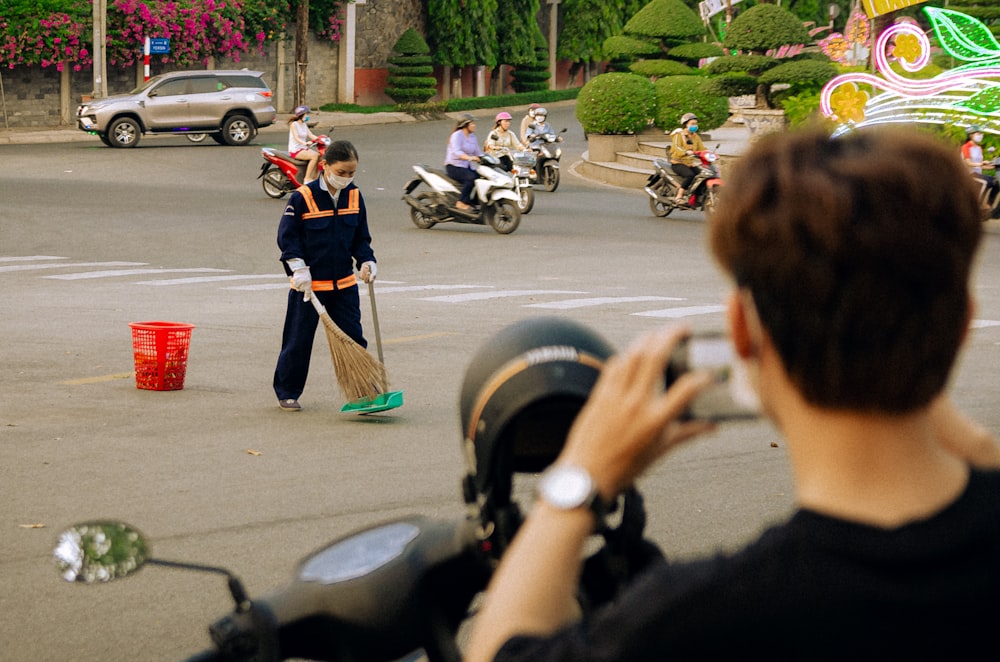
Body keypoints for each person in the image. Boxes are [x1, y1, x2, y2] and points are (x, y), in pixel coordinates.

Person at [466, 127, 1000, 660]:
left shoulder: (705, 620)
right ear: (962, 327)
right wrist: (909, 362)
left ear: (742, 334)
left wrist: (580, 479)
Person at [273, 140, 377, 412]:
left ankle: (363, 391)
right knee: (298, 340)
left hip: (343, 285)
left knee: (354, 339)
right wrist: (298, 268)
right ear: (325, 167)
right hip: (309, 287)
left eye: (351, 173)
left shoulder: (354, 196)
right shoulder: (302, 198)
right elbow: (288, 238)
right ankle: (287, 392)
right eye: (341, 172)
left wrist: (367, 260)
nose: (346, 178)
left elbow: (360, 238)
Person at [445, 113, 482, 211]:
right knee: (471, 178)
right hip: (454, 166)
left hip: (466, 166)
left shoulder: (473, 136)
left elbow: (478, 152)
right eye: (472, 123)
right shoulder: (456, 136)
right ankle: (461, 202)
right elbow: (457, 152)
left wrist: (488, 159)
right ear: (465, 125)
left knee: (482, 177)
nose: (474, 125)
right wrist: (470, 158)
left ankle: (472, 201)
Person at [668, 112, 706, 206]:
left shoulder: (696, 136)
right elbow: (676, 147)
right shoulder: (678, 134)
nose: (695, 126)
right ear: (686, 124)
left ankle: (694, 196)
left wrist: (710, 154)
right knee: (690, 175)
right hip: (678, 162)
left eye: (696, 124)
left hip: (690, 163)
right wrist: (685, 152)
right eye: (692, 124)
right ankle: (679, 196)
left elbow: (702, 148)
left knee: (702, 175)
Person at [961, 124, 999, 212]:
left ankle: (988, 206)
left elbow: (981, 165)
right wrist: (982, 163)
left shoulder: (979, 148)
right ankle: (976, 207)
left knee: (996, 183)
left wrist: (992, 166)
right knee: (985, 182)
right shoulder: (965, 147)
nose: (980, 135)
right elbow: (968, 163)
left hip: (978, 174)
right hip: (969, 174)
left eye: (981, 133)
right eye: (978, 133)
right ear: (971, 135)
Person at [287, 105, 321, 184]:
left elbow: (310, 134)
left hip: (303, 148)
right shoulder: (294, 125)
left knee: (319, 155)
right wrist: (305, 143)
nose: (308, 116)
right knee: (315, 156)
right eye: (306, 114)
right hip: (295, 149)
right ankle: (307, 178)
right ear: (301, 115)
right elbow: (296, 137)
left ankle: (315, 178)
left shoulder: (304, 124)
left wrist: (320, 139)